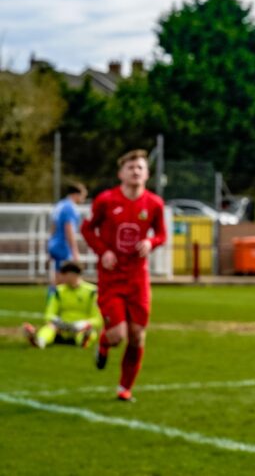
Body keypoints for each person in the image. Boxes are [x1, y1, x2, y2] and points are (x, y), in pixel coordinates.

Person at [81, 149, 166, 402]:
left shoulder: (154, 204)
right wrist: (103, 251)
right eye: (130, 168)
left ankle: (124, 387)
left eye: (140, 167)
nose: (136, 171)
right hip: (112, 277)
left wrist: (151, 242)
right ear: (120, 173)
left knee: (138, 335)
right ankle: (104, 344)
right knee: (119, 335)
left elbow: (161, 234)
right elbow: (87, 229)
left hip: (138, 279)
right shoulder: (106, 200)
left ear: (147, 174)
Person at [22, 261, 102, 349]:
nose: (61, 277)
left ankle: (84, 340)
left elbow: (98, 319)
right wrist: (57, 321)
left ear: (72, 274)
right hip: (62, 328)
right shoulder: (58, 291)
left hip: (80, 328)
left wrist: (84, 323)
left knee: (89, 331)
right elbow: (49, 314)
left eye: (64, 274)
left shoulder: (92, 292)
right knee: (50, 327)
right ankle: (39, 341)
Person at [47, 182, 86, 274]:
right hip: (63, 245)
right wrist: (75, 252)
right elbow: (69, 230)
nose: (83, 199)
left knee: (57, 273)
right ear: (76, 194)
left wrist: (49, 245)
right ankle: (54, 289)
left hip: (54, 244)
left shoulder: (60, 205)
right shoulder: (70, 208)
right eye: (83, 195)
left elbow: (53, 226)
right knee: (66, 275)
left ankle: (53, 288)